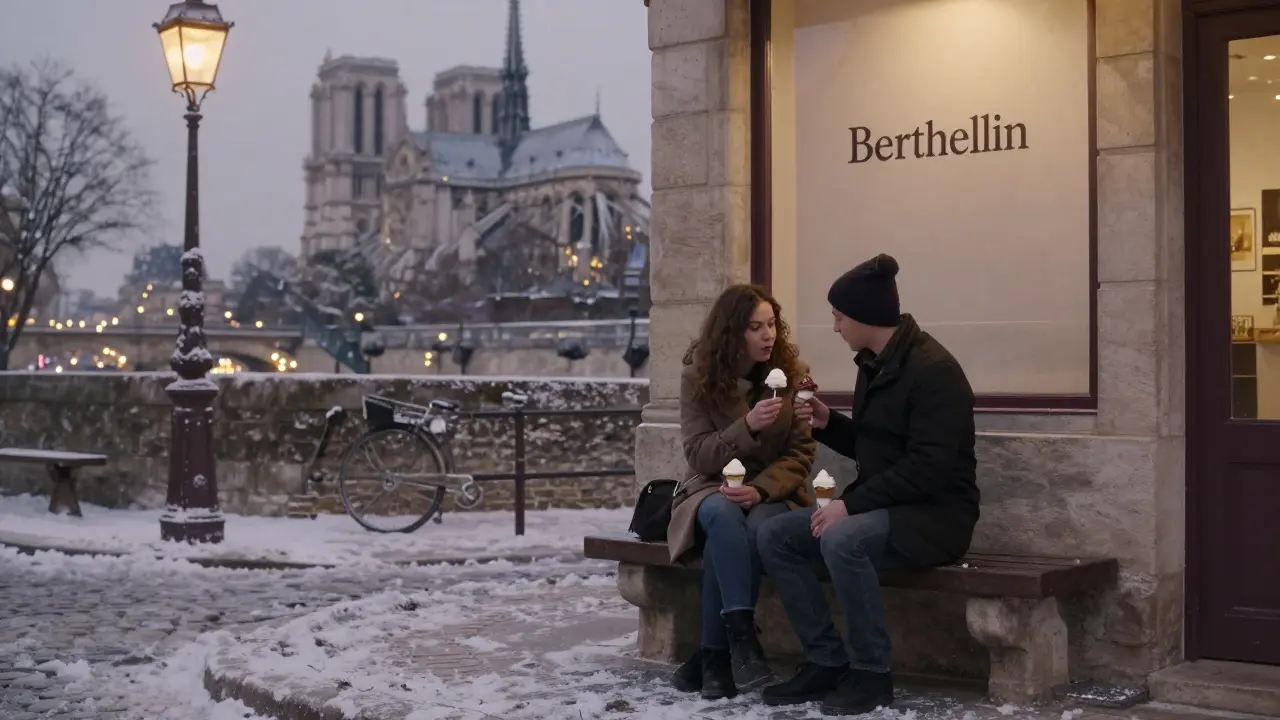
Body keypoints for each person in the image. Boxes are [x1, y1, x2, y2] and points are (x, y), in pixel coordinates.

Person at [755, 254, 979, 716]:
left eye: (838, 316)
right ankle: (826, 660)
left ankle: (872, 674)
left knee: (842, 537)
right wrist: (827, 423)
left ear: (863, 316)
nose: (835, 326)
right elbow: (878, 448)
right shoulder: (874, 362)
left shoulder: (934, 371)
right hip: (892, 507)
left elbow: (928, 469)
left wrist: (850, 505)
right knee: (775, 535)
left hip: (937, 517)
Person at [666, 283, 817, 700]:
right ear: (732, 333)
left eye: (771, 324)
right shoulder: (697, 375)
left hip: (773, 489)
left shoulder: (790, 372)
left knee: (737, 535)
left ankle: (715, 654)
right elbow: (698, 455)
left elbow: (801, 453)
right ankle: (741, 638)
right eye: (755, 327)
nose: (768, 335)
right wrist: (746, 426)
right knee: (722, 514)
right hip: (714, 485)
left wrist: (761, 490)